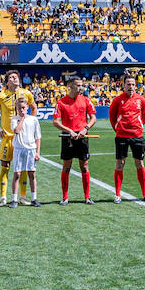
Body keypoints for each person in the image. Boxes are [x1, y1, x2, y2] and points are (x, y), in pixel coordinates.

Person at [0, 70, 37, 206]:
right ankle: (3, 197)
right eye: (11, 77)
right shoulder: (1, 96)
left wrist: (31, 124)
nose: (15, 79)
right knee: (5, 166)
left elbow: (34, 108)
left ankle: (22, 196)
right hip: (8, 138)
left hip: (23, 138)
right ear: (7, 82)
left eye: (16, 77)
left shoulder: (26, 94)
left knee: (24, 168)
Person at [108, 73, 145, 203]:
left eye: (133, 84)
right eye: (128, 84)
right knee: (120, 163)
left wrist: (138, 126)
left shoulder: (141, 100)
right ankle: (117, 194)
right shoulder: (117, 100)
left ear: (135, 86)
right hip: (121, 135)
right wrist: (117, 128)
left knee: (139, 163)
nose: (131, 86)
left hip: (137, 135)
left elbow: (144, 116)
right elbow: (112, 116)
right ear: (123, 85)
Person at [53, 76, 95, 205]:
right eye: (78, 85)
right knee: (67, 166)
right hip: (68, 137)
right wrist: (69, 131)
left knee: (84, 166)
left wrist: (85, 129)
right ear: (69, 87)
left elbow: (93, 118)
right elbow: (55, 122)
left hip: (82, 137)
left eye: (81, 85)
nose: (81, 88)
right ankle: (65, 197)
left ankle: (87, 197)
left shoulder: (86, 100)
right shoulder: (61, 102)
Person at [8, 97, 42, 207]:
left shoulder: (33, 119)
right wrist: (21, 119)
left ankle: (34, 198)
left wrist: (37, 152)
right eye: (19, 108)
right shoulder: (14, 119)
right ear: (16, 109)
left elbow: (38, 137)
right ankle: (14, 199)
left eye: (23, 107)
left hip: (31, 149)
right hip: (18, 149)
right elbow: (16, 131)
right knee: (17, 174)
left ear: (27, 107)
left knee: (32, 174)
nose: (21, 110)